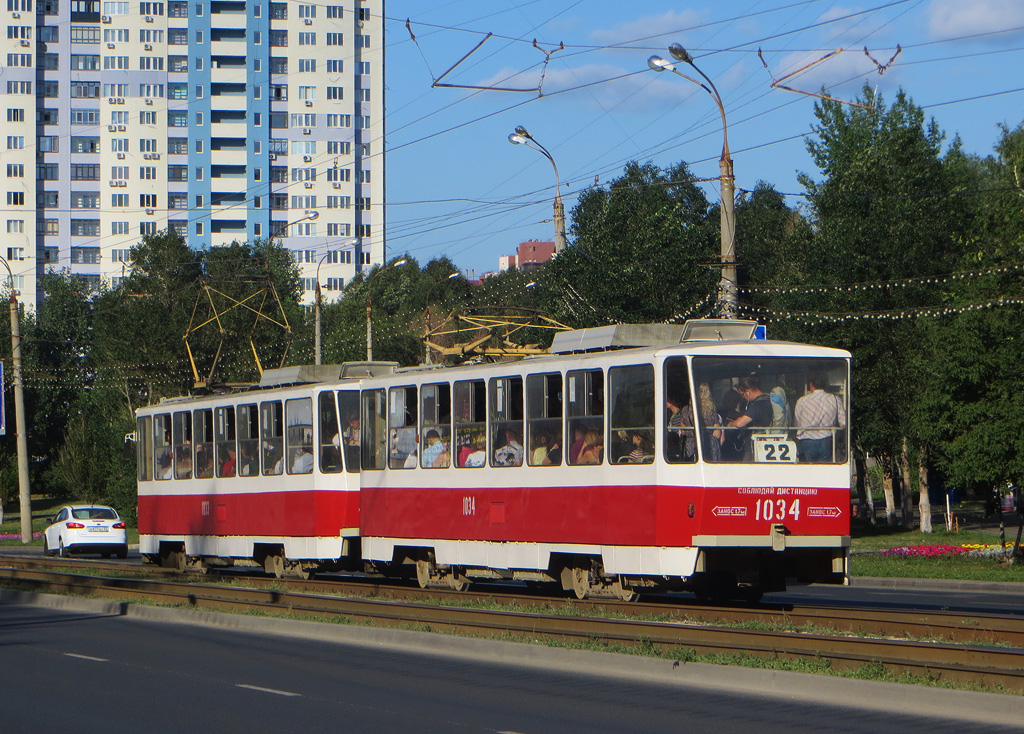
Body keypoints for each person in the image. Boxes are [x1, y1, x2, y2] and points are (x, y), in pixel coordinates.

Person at [795, 372, 846, 463]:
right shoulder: (835, 399)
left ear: (811, 384)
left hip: (806, 441)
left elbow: (798, 422)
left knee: (807, 472)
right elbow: (843, 424)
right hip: (826, 441)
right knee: (824, 473)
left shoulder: (802, 401)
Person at [727, 376, 773, 461]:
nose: (743, 398)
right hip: (769, 442)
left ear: (748, 392)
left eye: (742, 395)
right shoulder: (768, 400)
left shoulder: (758, 405)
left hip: (756, 445)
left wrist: (731, 424)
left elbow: (739, 423)